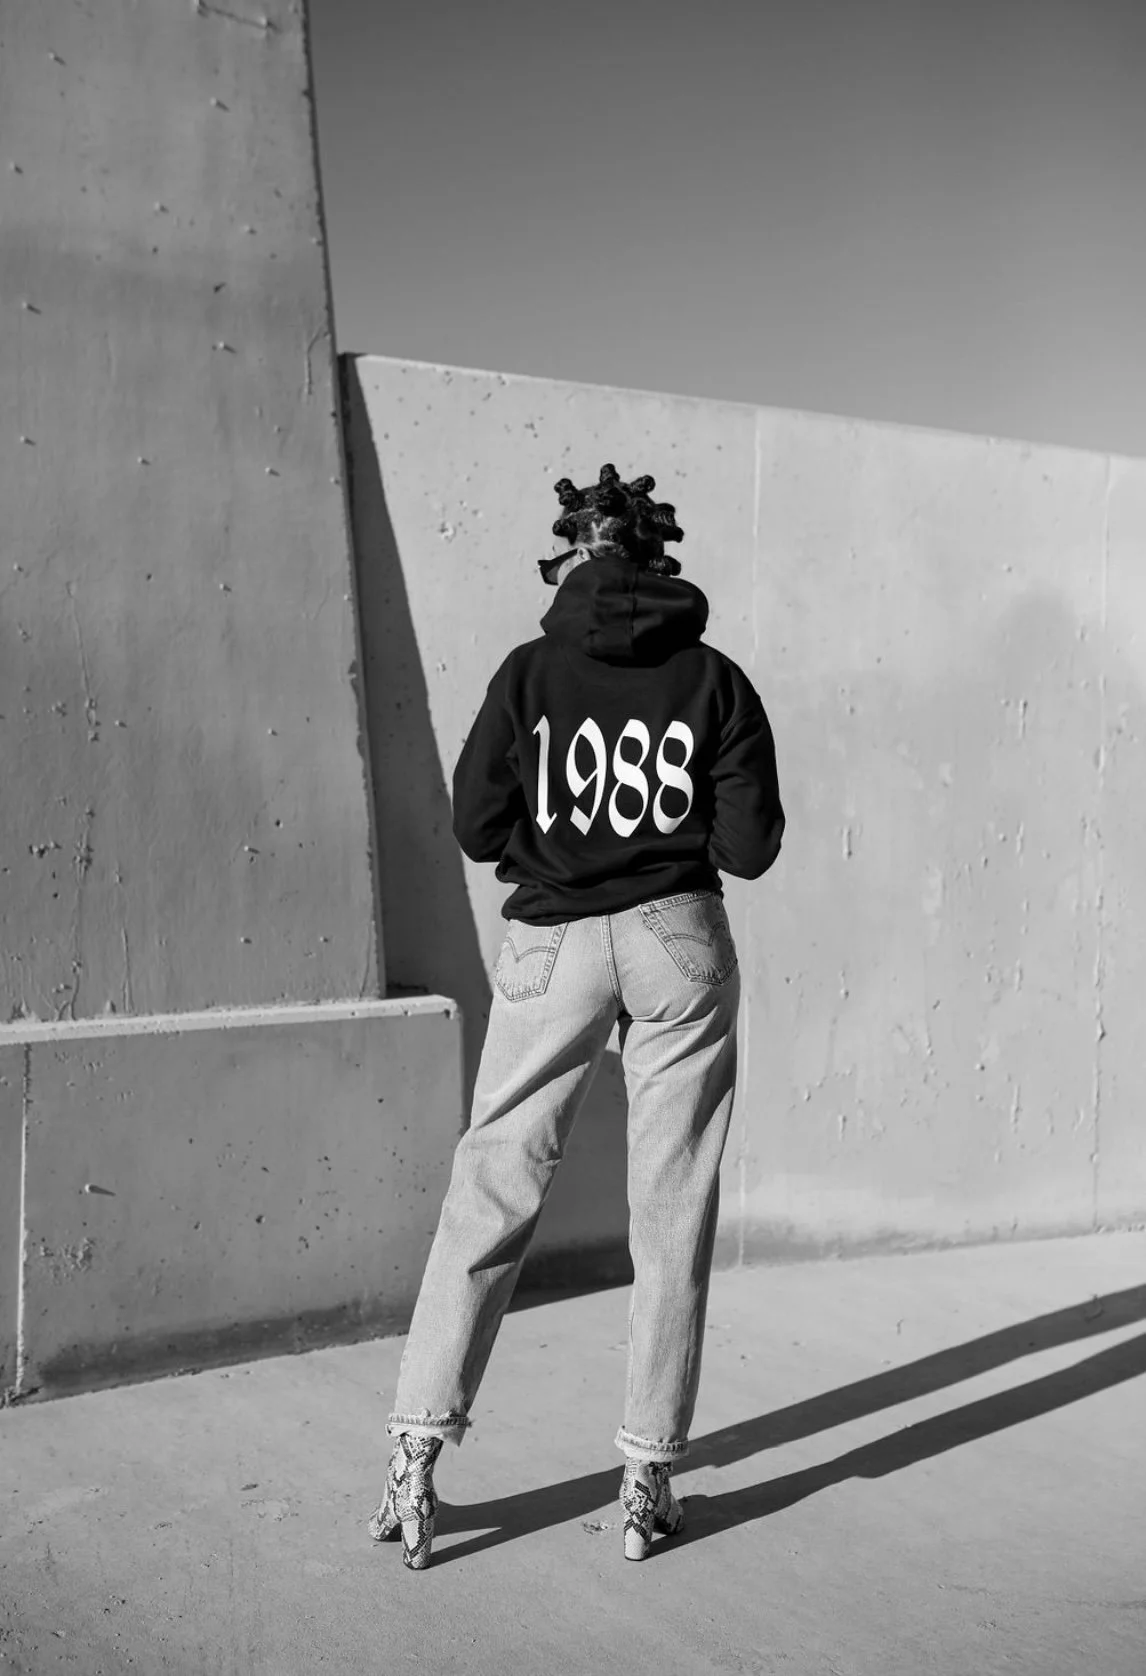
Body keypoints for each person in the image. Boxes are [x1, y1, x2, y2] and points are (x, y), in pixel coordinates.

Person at [369, 463, 784, 1569]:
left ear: (569, 552)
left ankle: (416, 1457)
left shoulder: (528, 673)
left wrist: (554, 855)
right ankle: (647, 1479)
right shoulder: (717, 680)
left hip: (550, 941)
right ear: (658, 556)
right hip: (676, 940)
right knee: (672, 1202)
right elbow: (748, 848)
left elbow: (474, 822)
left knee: (492, 1182)